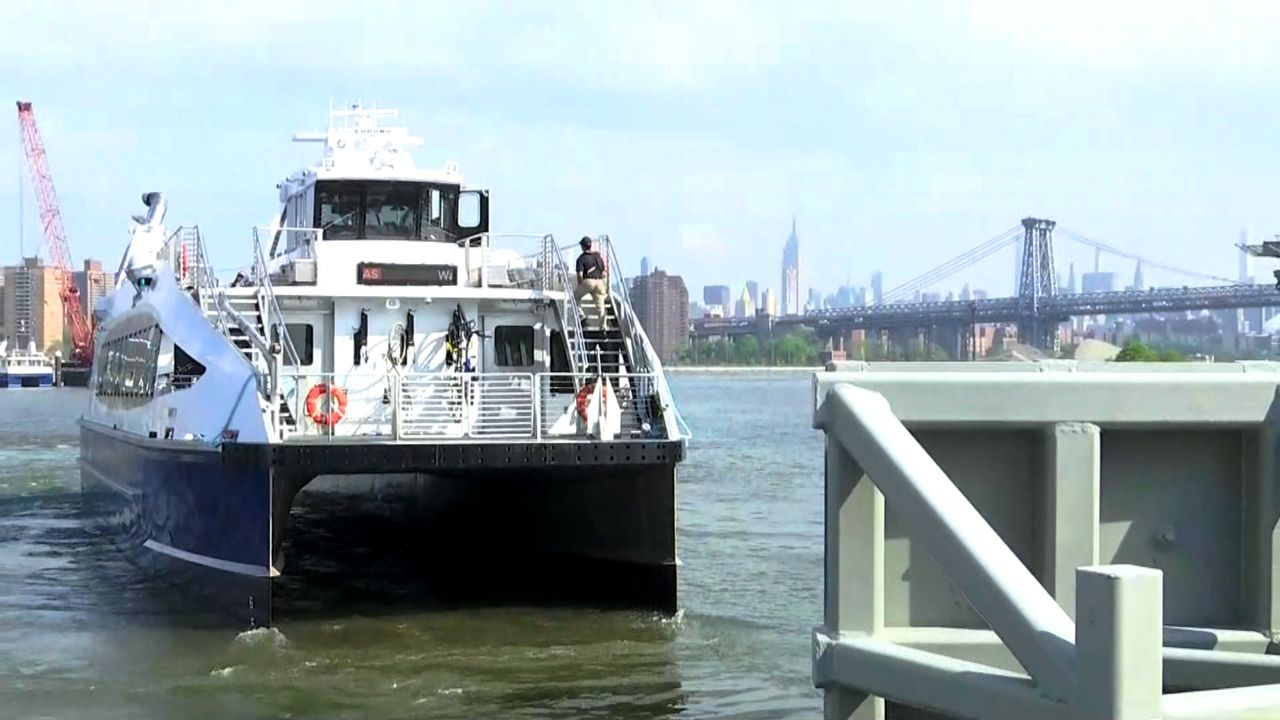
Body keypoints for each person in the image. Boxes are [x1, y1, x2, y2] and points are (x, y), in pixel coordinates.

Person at [575, 236, 610, 331]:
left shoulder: (581, 259)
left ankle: (582, 317)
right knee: (600, 306)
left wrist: (580, 285)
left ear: (582, 247)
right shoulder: (598, 257)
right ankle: (603, 327)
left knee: (574, 298)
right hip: (600, 282)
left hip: (588, 281)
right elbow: (603, 271)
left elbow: (579, 275)